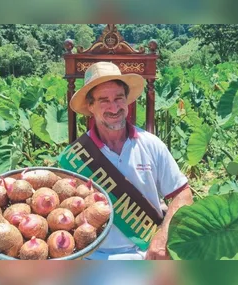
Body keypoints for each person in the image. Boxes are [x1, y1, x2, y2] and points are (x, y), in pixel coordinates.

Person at [59, 61, 193, 260]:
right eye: (103, 100)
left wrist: (163, 237)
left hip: (146, 253)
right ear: (91, 106)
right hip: (91, 257)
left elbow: (183, 193)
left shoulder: (151, 144)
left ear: (127, 102)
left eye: (119, 98)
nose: (114, 107)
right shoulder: (74, 157)